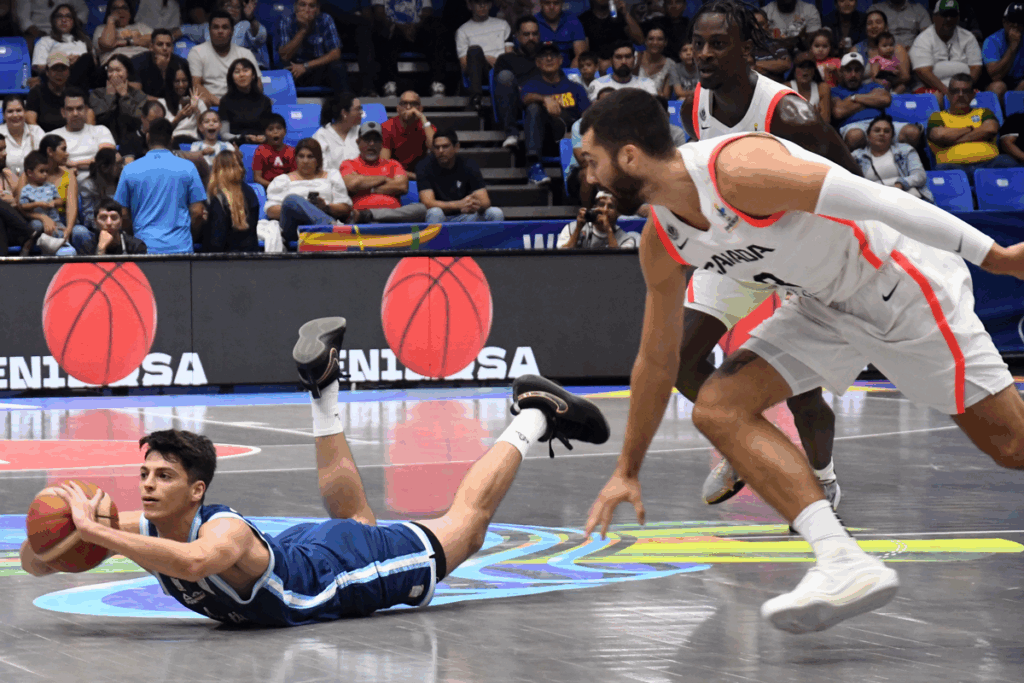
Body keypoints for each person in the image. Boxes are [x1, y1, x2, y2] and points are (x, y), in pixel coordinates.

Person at [579, 87, 1024, 634]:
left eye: (591, 160)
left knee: (1011, 447)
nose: (589, 176)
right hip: (821, 307)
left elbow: (880, 200)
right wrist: (626, 471)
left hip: (894, 284)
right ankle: (841, 562)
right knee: (718, 408)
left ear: (628, 157)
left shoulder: (737, 170)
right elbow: (656, 360)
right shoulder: (664, 239)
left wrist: (996, 257)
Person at [20, 315, 610, 628]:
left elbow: (196, 564)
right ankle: (323, 387)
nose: (147, 485)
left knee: (464, 528)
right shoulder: (144, 525)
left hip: (335, 572)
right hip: (303, 550)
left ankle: (535, 413)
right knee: (354, 518)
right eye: (145, 474)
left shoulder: (218, 534)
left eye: (163, 477)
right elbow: (33, 564)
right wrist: (62, 532)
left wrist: (94, 533)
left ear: (197, 490)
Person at [679, 0, 862, 507]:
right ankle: (744, 446)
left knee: (802, 392)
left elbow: (853, 185)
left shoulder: (788, 114)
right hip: (739, 247)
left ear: (747, 51)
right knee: (678, 360)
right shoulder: (692, 104)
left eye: (719, 44)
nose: (705, 54)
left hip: (799, 251)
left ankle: (822, 480)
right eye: (700, 43)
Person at [114, 118, 206, 253]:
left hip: (143, 248)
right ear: (171, 139)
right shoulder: (188, 168)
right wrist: (187, 236)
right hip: (181, 248)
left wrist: (133, 238)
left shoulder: (129, 170)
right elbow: (198, 212)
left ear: (147, 137)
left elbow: (123, 214)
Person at [521, 41, 591, 185]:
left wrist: (577, 134)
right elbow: (526, 98)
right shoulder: (532, 85)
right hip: (546, 138)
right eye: (544, 56)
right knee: (533, 107)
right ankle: (534, 166)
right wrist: (544, 99)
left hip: (571, 136)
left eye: (553, 56)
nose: (548, 59)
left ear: (560, 60)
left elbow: (587, 115)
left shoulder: (574, 87)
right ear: (538, 63)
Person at [927, 72, 1018, 177]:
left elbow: (990, 129)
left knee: (1007, 161)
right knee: (942, 170)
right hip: (954, 166)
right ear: (948, 94)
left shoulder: (984, 112)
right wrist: (971, 128)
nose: (960, 95)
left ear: (973, 94)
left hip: (989, 164)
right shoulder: (937, 116)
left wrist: (952, 140)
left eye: (965, 91)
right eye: (956, 91)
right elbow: (939, 135)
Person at [265, 137, 352, 243]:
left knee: (295, 200)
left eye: (310, 157)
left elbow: (345, 207)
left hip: (325, 217)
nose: (305, 161)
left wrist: (325, 207)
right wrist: (303, 206)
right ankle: (328, 226)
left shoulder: (332, 175)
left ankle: (324, 225)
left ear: (318, 159)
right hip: (294, 229)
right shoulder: (283, 180)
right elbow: (271, 210)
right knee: (291, 199)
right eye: (301, 156)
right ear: (296, 158)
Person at [832, 52, 921, 151]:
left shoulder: (872, 86)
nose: (853, 75)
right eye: (848, 70)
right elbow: (838, 112)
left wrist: (853, 98)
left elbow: (885, 99)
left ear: (863, 72)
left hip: (880, 123)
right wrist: (871, 101)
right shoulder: (834, 91)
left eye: (857, 70)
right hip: (854, 126)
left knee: (912, 132)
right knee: (855, 136)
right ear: (841, 72)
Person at [341, 121, 426, 223]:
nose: (372, 144)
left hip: (393, 217)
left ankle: (370, 215)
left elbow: (402, 186)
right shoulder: (349, 164)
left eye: (376, 140)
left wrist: (365, 185)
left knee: (421, 209)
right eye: (367, 140)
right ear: (358, 142)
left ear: (381, 144)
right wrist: (384, 178)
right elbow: (352, 184)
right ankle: (370, 217)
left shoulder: (393, 164)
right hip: (362, 219)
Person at [416, 129, 503, 224]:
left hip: (466, 216)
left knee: (495, 212)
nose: (440, 151)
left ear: (456, 147)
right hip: (441, 217)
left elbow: (485, 201)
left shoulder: (469, 165)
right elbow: (428, 204)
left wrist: (474, 205)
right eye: (437, 147)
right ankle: (436, 239)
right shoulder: (423, 166)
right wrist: (458, 204)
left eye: (445, 146)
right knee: (435, 212)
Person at [909, 0, 983, 104]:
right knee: (936, 98)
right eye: (944, 15)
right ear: (934, 17)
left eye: (952, 15)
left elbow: (976, 67)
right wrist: (948, 92)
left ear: (958, 17)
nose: (948, 19)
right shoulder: (923, 39)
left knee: (984, 98)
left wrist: (963, 89)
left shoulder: (968, 37)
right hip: (931, 88)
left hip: (963, 87)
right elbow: (923, 72)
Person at [372, 0, 450, 96]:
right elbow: (379, 12)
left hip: (417, 30)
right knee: (382, 31)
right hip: (394, 31)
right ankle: (389, 84)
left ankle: (438, 83)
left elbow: (427, 11)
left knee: (436, 25)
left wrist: (413, 26)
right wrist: (402, 27)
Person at [188, 10, 263, 107]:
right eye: (215, 27)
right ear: (209, 30)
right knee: (199, 101)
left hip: (242, 105)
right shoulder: (197, 52)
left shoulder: (245, 53)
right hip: (211, 108)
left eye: (225, 27)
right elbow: (196, 86)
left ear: (232, 31)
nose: (220, 31)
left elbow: (258, 86)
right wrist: (224, 105)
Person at [853, 114, 933, 201]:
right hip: (875, 202)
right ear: (868, 136)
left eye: (886, 131)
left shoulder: (905, 150)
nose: (882, 133)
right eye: (877, 130)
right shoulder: (857, 156)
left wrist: (901, 183)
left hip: (908, 198)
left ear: (892, 136)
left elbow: (920, 176)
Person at [275, 0, 348, 94]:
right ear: (296, 7)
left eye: (312, 6)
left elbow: (336, 53)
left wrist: (306, 66)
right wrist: (303, 29)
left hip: (317, 67)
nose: (307, 10)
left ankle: (345, 104)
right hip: (294, 69)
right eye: (302, 5)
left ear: (317, 9)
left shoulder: (325, 19)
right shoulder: (286, 20)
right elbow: (285, 55)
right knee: (282, 69)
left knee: (338, 66)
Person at [18, 150, 81, 257]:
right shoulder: (26, 190)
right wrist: (38, 204)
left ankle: (63, 247)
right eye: (41, 171)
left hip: (54, 220)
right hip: (37, 220)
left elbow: (60, 201)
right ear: (29, 173)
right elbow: (23, 206)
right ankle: (27, 246)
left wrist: (54, 202)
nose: (45, 174)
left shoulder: (50, 187)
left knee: (60, 232)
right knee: (36, 226)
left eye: (46, 171)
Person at [493, 15, 541, 149]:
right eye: (526, 34)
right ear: (517, 36)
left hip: (541, 100)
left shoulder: (545, 56)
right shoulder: (506, 59)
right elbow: (502, 87)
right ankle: (511, 134)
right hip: (515, 101)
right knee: (504, 76)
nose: (531, 38)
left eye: (534, 34)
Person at [179, 0, 269, 69]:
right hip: (219, 72)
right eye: (229, 6)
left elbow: (260, 37)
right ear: (221, 8)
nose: (233, 10)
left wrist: (251, 18)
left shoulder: (246, 25)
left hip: (245, 72)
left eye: (237, 7)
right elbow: (184, 29)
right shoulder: (208, 27)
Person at [51, 89, 116, 183]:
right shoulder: (52, 136)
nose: (75, 113)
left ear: (86, 110)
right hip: (65, 187)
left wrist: (73, 164)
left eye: (79, 108)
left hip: (101, 185)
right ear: (63, 112)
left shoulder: (101, 130)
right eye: (70, 109)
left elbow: (106, 158)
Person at [457, 0, 512, 110]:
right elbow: (464, 65)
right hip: (478, 72)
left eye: (486, 2)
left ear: (491, 4)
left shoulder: (503, 25)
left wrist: (500, 62)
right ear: (470, 5)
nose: (482, 6)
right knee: (474, 50)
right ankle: (476, 98)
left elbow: (510, 56)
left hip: (501, 70)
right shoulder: (462, 31)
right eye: (478, 2)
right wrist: (485, 58)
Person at [203, 149, 259, 252]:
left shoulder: (218, 199)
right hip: (250, 258)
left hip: (222, 262)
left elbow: (216, 242)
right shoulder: (250, 192)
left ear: (216, 170)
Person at [31, 4, 97, 88]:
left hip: (86, 80)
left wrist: (79, 60)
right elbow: (39, 68)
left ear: (73, 21)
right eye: (59, 16)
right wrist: (64, 62)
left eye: (68, 16)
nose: (64, 20)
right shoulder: (45, 41)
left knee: (87, 59)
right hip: (59, 80)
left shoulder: (84, 40)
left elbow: (94, 64)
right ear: (53, 20)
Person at [89, 54, 148, 145]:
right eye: (110, 70)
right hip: (105, 143)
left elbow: (137, 121)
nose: (114, 75)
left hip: (133, 144)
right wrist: (110, 95)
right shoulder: (97, 94)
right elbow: (101, 120)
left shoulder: (139, 95)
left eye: (118, 70)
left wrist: (124, 96)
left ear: (127, 72)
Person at [217, 57, 273, 144]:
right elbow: (224, 134)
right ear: (232, 78)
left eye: (245, 70)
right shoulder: (225, 101)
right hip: (235, 145)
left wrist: (264, 137)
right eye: (237, 72)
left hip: (260, 146)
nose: (241, 75)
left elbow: (269, 131)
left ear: (253, 75)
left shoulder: (264, 101)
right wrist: (242, 137)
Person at [382, 91, 436, 179]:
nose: (408, 107)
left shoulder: (426, 126)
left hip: (420, 172)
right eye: (404, 103)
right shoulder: (387, 127)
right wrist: (414, 176)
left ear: (420, 108)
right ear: (398, 108)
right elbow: (384, 165)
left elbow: (436, 149)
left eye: (413, 104)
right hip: (395, 176)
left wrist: (422, 118)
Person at [557, 190, 637, 249]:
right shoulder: (571, 229)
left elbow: (619, 263)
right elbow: (563, 258)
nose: (605, 210)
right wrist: (578, 229)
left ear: (618, 213)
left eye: (611, 206)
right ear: (594, 208)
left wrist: (608, 230)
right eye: (601, 205)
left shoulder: (626, 240)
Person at [26, 52, 83, 133]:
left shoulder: (76, 92)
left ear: (69, 72)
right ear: (47, 72)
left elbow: (89, 115)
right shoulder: (36, 92)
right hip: (45, 139)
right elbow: (30, 120)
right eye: (55, 69)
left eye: (63, 69)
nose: (59, 74)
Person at [70, 196, 147, 254]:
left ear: (121, 221)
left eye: (114, 217)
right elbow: (92, 275)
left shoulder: (136, 246)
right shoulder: (88, 245)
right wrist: (101, 249)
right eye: (103, 218)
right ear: (95, 222)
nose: (109, 223)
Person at [586, 41, 658, 101]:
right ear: (611, 60)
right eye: (618, 57)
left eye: (628, 57)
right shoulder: (598, 85)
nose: (624, 61)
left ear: (634, 59)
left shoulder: (647, 84)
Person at [132, 28, 188, 102]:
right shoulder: (137, 61)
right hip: (145, 107)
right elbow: (135, 95)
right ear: (151, 47)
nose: (164, 48)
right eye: (160, 44)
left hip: (176, 105)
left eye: (168, 45)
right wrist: (163, 102)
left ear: (172, 48)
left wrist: (164, 70)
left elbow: (190, 93)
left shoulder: (182, 63)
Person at [313, 92, 362, 173]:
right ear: (344, 113)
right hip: (331, 182)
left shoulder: (361, 132)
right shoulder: (321, 135)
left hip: (360, 181)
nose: (361, 112)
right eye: (358, 109)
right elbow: (321, 169)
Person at [94, 0, 154, 66]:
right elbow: (107, 43)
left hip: (142, 62)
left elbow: (155, 40)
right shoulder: (101, 28)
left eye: (124, 8)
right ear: (109, 12)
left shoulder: (141, 26)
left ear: (130, 12)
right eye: (115, 8)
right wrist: (111, 21)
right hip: (115, 65)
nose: (120, 11)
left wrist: (126, 42)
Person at [984, 3, 1024, 100]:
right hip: (999, 83)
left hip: (1020, 84)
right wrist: (1013, 46)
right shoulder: (992, 41)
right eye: (1012, 20)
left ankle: (1014, 113)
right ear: (1004, 22)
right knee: (998, 87)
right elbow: (996, 76)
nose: (1015, 25)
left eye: (1020, 21)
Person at [77, 147, 123, 231]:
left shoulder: (123, 182)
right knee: (79, 231)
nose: (122, 167)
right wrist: (107, 225)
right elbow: (88, 218)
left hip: (120, 227)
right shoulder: (88, 186)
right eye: (118, 164)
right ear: (104, 167)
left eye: (122, 163)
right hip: (97, 229)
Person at [577, 0, 630, 71]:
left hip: (621, 59)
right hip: (596, 65)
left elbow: (640, 40)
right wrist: (598, 62)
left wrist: (625, 13)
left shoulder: (619, 16)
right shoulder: (584, 19)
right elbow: (585, 53)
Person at [0, 95, 45, 175]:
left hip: (35, 183)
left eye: (19, 110)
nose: (15, 115)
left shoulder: (36, 132)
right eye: (10, 111)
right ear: (3, 115)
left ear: (25, 113)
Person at [162, 64, 206, 144]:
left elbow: (205, 132)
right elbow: (160, 134)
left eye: (184, 81)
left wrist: (196, 110)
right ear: (170, 82)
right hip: (172, 143)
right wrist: (179, 118)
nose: (181, 85)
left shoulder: (199, 103)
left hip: (194, 143)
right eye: (177, 81)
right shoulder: (162, 103)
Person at [534, 0, 586, 68]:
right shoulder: (533, 22)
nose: (551, 7)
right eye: (547, 3)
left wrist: (571, 74)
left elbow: (580, 55)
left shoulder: (573, 21)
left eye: (556, 3)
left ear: (562, 3)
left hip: (568, 71)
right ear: (541, 3)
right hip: (540, 71)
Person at [748, 8, 792, 83]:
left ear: (767, 26)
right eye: (753, 23)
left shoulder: (776, 45)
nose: (757, 27)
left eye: (761, 24)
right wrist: (772, 68)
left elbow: (786, 64)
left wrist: (755, 64)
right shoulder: (743, 46)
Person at [253, 113, 296, 189]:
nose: (275, 132)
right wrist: (273, 186)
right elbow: (257, 178)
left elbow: (294, 175)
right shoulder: (260, 151)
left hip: (287, 188)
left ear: (285, 132)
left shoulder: (292, 151)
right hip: (267, 188)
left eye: (279, 128)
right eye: (270, 129)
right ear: (264, 133)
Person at [866, 0, 931, 48]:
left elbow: (928, 36)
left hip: (914, 53)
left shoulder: (919, 10)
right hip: (884, 52)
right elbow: (871, 37)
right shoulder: (876, 9)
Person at [790, 51, 831, 124]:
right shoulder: (786, 88)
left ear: (814, 71)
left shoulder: (822, 88)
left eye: (809, 66)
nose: (805, 70)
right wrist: (813, 116)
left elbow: (826, 121)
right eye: (801, 66)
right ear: (794, 70)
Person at [636, 26, 677, 99]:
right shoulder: (636, 58)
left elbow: (665, 97)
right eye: (651, 39)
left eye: (660, 39)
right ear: (645, 41)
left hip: (656, 106)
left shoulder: (670, 65)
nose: (655, 42)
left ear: (665, 42)